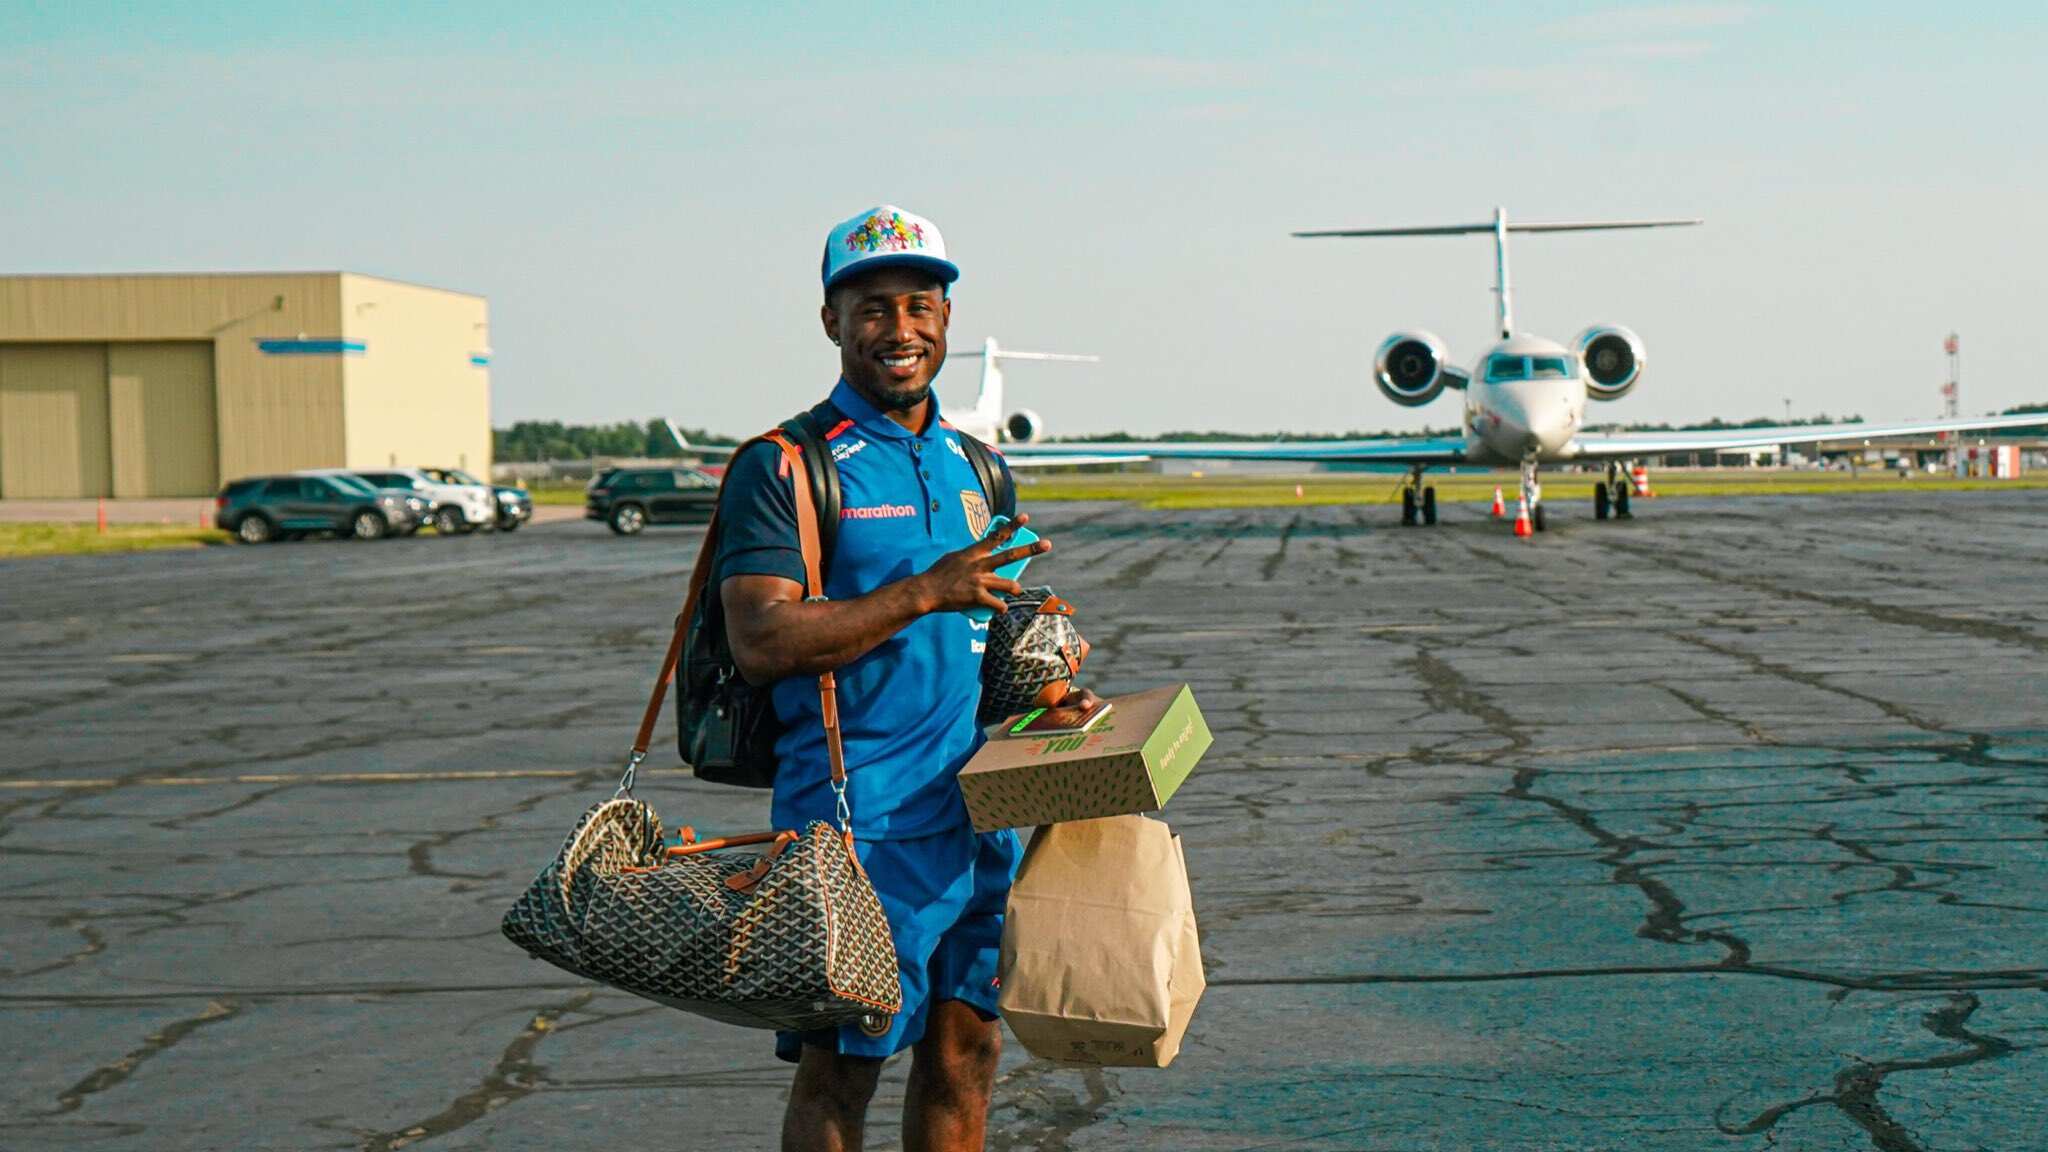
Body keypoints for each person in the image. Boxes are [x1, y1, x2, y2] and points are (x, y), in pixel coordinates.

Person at [715, 205, 1094, 1152]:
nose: (901, 329)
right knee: (842, 1075)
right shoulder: (786, 465)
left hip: (980, 812)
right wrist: (925, 591)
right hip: (859, 825)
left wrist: (1049, 686)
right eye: (874, 308)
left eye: (920, 306)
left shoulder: (977, 465)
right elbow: (761, 639)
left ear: (947, 320)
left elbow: (991, 625)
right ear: (832, 322)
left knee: (966, 1055)